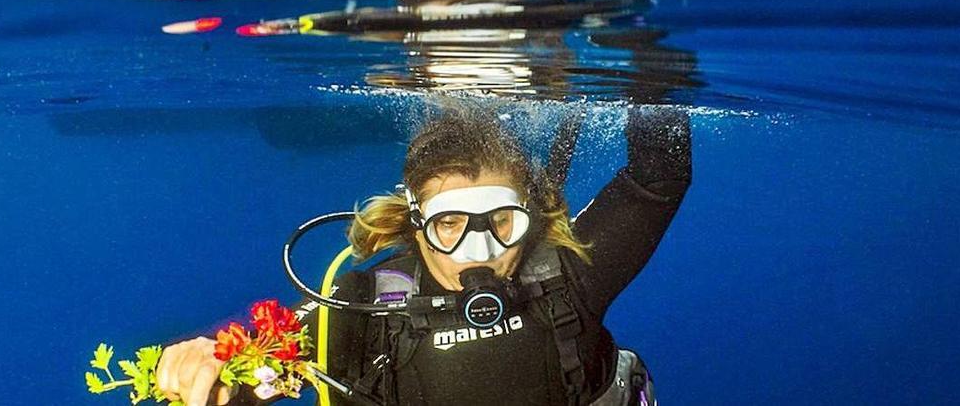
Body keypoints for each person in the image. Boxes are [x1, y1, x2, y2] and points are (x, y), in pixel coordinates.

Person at [155, 98, 692, 405]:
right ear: (416, 225)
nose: (477, 251)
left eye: (502, 222)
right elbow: (247, 366)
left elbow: (659, 176)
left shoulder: (563, 276)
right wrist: (202, 370)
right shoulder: (366, 307)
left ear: (528, 219)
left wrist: (642, 42)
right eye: (449, 225)